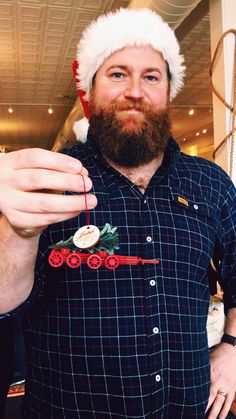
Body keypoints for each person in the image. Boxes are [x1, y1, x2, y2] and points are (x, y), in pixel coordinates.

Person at [0, 7, 235, 419]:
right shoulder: (52, 178)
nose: (135, 91)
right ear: (90, 90)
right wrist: (16, 231)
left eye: (151, 77)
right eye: (117, 74)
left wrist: (233, 349)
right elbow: (5, 301)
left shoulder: (211, 183)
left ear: (167, 91)